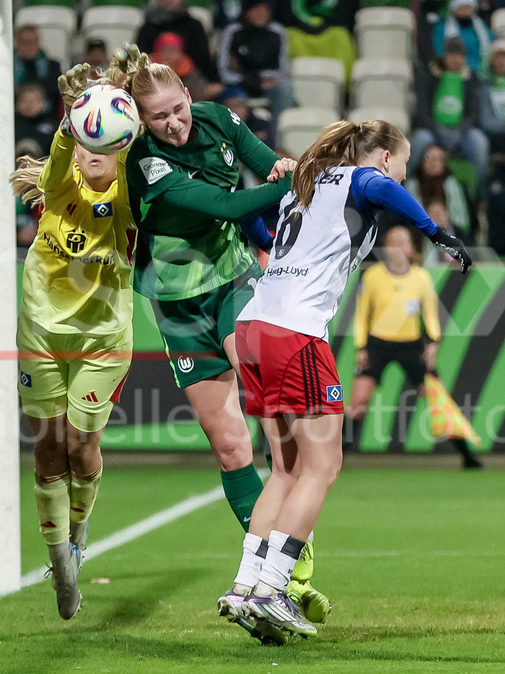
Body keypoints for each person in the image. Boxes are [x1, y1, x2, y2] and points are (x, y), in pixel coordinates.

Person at [219, 119, 472, 641]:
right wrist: (436, 233)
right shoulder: (358, 178)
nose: (398, 179)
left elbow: (252, 220)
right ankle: (271, 587)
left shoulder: (306, 182)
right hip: (296, 333)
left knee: (285, 470)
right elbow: (377, 186)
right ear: (384, 158)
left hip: (254, 327)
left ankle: (245, 586)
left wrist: (275, 250)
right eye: (400, 168)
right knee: (323, 467)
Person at [109, 45, 330, 625]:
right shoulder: (144, 162)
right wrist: (295, 180)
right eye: (158, 118)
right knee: (230, 444)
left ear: (188, 96)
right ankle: (278, 569)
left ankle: (281, 553)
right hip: (176, 303)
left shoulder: (218, 118)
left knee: (271, 421)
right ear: (140, 119)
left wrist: (285, 167)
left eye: (177, 110)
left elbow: (263, 160)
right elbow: (222, 204)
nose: (173, 124)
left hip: (235, 282)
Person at [8, 63, 136, 620]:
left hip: (103, 337)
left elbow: (131, 140)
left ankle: (79, 531)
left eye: (102, 146)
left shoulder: (131, 194)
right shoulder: (59, 185)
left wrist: (119, 95)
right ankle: (60, 561)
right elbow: (68, 142)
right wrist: (77, 110)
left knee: (82, 448)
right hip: (40, 331)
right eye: (84, 143)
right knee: (47, 445)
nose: (91, 153)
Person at [346, 226, 482, 468]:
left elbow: (430, 316)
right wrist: (361, 347)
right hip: (377, 345)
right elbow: (361, 316)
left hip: (411, 346)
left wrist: (434, 343)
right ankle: (338, 457)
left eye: (402, 242)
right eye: (392, 242)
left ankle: (468, 456)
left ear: (412, 249)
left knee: (437, 399)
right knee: (358, 401)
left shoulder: (421, 278)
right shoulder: (373, 276)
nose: (396, 247)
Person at [409, 36, 489, 198]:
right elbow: (422, 111)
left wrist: (459, 131)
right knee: (419, 141)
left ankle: (480, 196)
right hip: (433, 130)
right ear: (444, 56)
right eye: (452, 54)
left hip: (461, 131)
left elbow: (473, 113)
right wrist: (439, 131)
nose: (456, 59)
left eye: (460, 55)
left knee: (479, 142)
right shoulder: (429, 76)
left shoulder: (471, 79)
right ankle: (407, 187)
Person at [217, 0, 295, 149]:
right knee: (231, 96)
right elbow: (224, 71)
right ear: (246, 12)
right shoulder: (233, 31)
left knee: (285, 88)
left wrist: (264, 80)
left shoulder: (277, 31)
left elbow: (282, 69)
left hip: (268, 84)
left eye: (264, 9)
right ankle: (233, 146)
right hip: (238, 83)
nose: (261, 13)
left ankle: (276, 142)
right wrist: (254, 81)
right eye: (256, 10)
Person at [135, 0, 219, 85]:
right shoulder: (148, 28)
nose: (168, 0)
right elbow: (140, 56)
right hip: (155, 79)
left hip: (188, 79)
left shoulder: (194, 26)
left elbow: (204, 61)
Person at [406, 144, 472, 240]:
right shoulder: (412, 185)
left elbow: (461, 220)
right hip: (418, 234)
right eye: (428, 158)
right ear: (421, 162)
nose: (434, 162)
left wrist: (444, 220)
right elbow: (408, 216)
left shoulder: (451, 184)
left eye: (438, 158)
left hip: (448, 232)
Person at [430, 0, 493, 73]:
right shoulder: (442, 29)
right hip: (452, 69)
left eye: (469, 8)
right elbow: (440, 51)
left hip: (479, 71)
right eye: (462, 8)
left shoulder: (483, 30)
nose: (466, 12)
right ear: (454, 9)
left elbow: (490, 48)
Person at [14, 24, 63, 120]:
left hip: (47, 118)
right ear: (17, 43)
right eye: (24, 42)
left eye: (32, 42)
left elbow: (56, 92)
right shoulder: (6, 67)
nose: (28, 46)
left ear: (38, 42)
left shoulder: (53, 66)